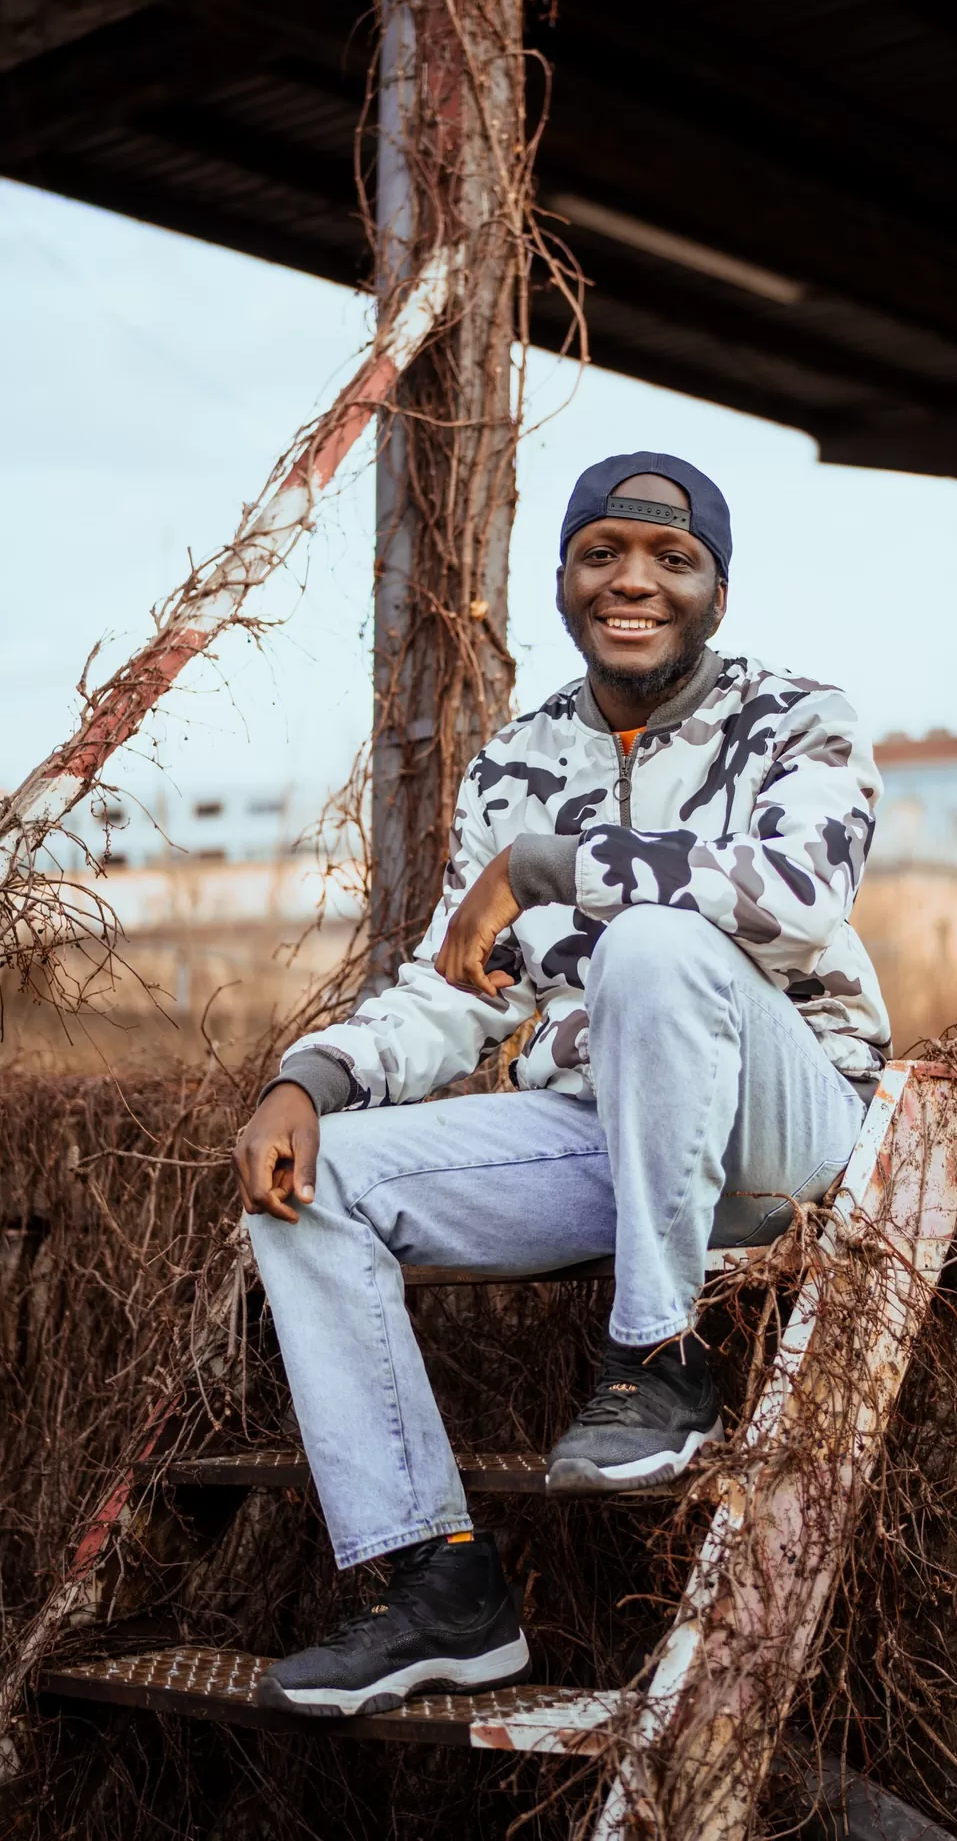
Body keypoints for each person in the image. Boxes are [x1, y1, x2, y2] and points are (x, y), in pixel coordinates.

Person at [234, 450, 892, 1717]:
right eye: (602, 554)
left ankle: (658, 1355)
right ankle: (437, 1582)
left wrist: (547, 865)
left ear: (714, 586)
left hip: (787, 1128)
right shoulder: (517, 759)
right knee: (321, 1184)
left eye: (669, 559)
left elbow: (795, 903)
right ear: (565, 577)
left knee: (653, 943)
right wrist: (308, 1077)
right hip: (609, 1133)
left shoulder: (801, 717)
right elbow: (456, 987)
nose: (631, 582)